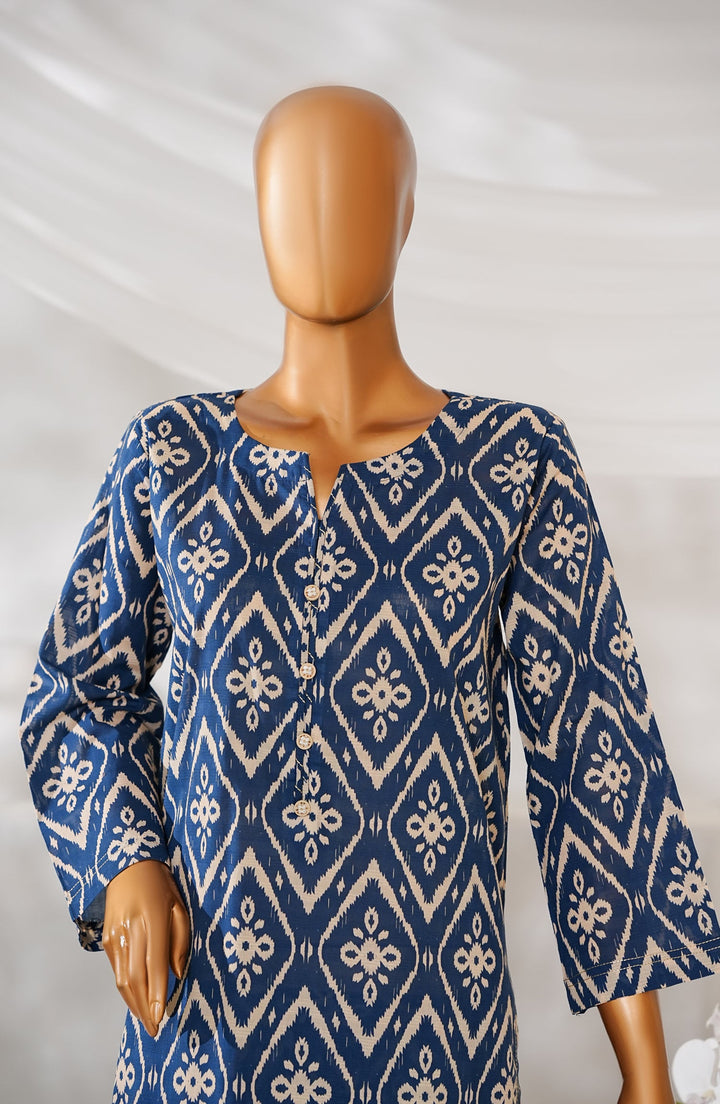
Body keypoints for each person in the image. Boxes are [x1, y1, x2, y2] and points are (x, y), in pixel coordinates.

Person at [19, 84, 720, 1104]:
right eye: (291, 194)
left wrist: (646, 1072)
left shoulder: (514, 461)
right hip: (207, 1041)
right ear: (258, 214)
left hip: (436, 1036)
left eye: (353, 192)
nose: (320, 223)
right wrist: (126, 860)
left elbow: (593, 751)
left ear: (407, 214)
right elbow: (79, 691)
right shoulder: (170, 455)